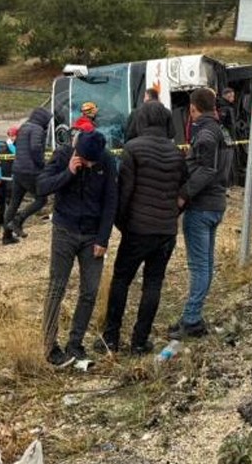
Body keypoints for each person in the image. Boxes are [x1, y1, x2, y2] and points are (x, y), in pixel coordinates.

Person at [100, 101, 186, 355]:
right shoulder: (176, 153)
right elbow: (183, 190)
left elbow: (124, 192)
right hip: (166, 231)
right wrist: (172, 214)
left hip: (137, 229)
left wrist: (122, 224)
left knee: (121, 281)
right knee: (153, 284)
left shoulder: (133, 149)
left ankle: (111, 338)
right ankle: (139, 341)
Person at [39, 130, 117, 367]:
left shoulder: (107, 160)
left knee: (90, 291)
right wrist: (69, 173)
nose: (90, 165)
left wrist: (103, 238)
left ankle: (76, 343)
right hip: (64, 229)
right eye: (86, 161)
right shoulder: (63, 156)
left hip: (93, 235)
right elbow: (42, 186)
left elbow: (111, 200)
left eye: (93, 162)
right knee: (56, 287)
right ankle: (50, 346)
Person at [172, 87, 230, 339]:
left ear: (194, 108)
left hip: (202, 206)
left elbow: (206, 170)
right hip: (216, 203)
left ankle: (192, 320)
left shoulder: (205, 133)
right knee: (204, 265)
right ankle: (191, 315)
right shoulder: (220, 130)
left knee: (199, 267)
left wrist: (183, 195)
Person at [4, 107, 51, 242]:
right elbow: (36, 148)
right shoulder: (37, 129)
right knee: (42, 199)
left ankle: (6, 236)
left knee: (14, 203)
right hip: (30, 171)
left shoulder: (24, 126)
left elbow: (18, 144)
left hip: (18, 169)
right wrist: (42, 164)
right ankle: (18, 220)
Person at [0, 126, 17, 233]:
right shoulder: (2, 146)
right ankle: (0, 218)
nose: (11, 138)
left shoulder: (17, 146)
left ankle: (9, 220)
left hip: (11, 178)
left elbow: (16, 154)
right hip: (1, 176)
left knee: (9, 200)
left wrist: (11, 144)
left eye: (13, 136)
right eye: (10, 136)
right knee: (0, 199)